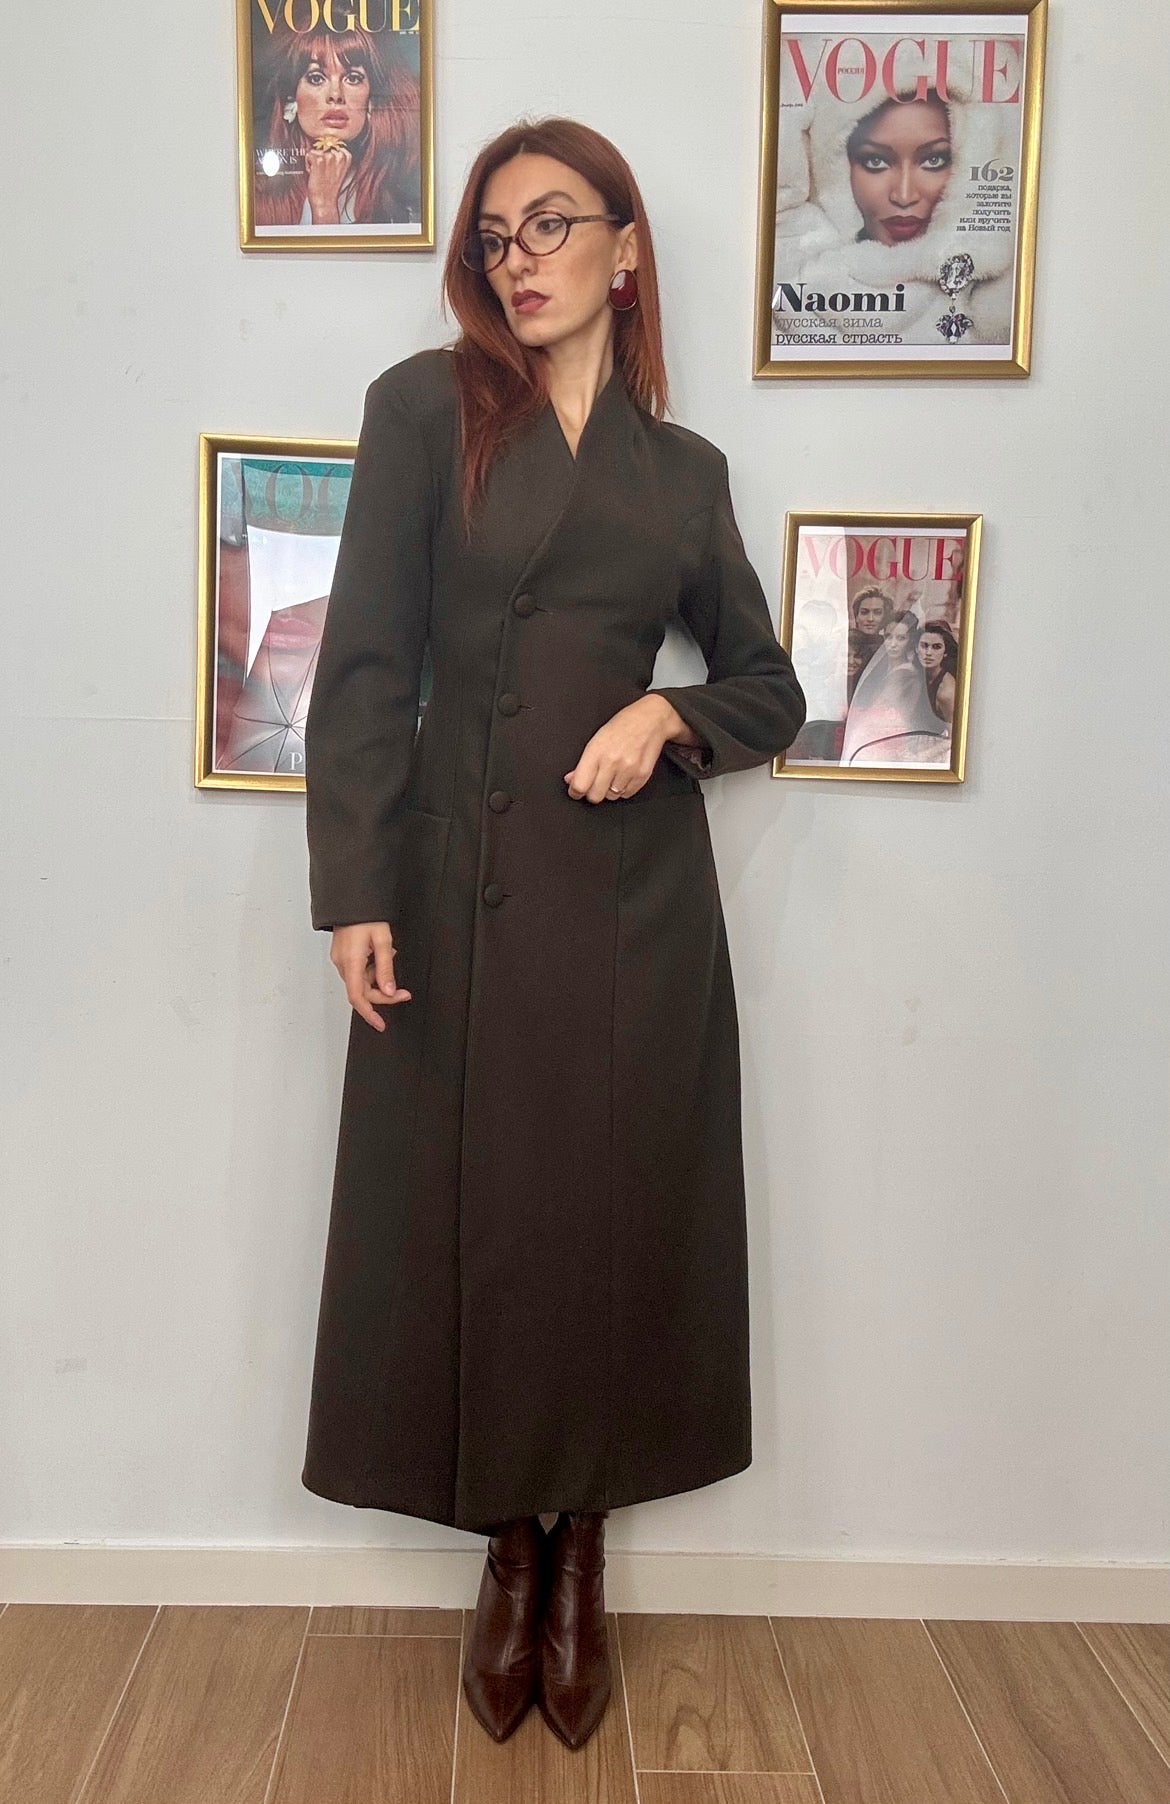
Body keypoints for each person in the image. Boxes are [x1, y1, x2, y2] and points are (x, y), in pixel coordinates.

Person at [300, 115, 806, 1752]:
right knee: (482, 1211)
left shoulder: (683, 473)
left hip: (633, 902)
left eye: (553, 224)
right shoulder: (424, 410)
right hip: (456, 881)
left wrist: (668, 716)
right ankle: (503, 1546)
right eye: (496, 233)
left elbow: (770, 688)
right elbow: (363, 668)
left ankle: (578, 1543)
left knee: (605, 1219)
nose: (519, 258)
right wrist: (355, 885)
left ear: (625, 247)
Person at [253, 26, 420, 229]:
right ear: (291, 98)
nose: (335, 95)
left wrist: (324, 207)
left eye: (353, 78)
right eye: (316, 78)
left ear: (371, 101)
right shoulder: (257, 198)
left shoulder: (400, 204)